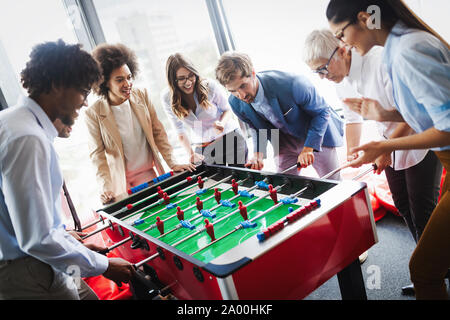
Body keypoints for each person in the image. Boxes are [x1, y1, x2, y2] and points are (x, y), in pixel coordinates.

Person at [326, 0, 450, 300]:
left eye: (341, 34)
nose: (344, 44)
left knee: (422, 269)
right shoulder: (398, 47)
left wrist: (384, 145)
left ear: (364, 19)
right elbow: (426, 113)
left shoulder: (408, 50)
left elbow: (446, 127)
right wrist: (384, 115)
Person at [0, 40, 135, 300]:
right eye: (83, 91)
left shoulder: (12, 122)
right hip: (30, 270)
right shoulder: (27, 138)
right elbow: (36, 239)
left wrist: (67, 239)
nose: (85, 102)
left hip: (38, 262)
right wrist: (105, 266)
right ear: (57, 86)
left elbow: (19, 215)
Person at [303, 29, 442, 279]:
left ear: (341, 50)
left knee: (423, 210)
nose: (322, 77)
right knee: (403, 205)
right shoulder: (341, 81)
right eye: (317, 73)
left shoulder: (378, 62)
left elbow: (410, 113)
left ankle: (431, 270)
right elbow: (352, 117)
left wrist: (386, 148)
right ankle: (429, 268)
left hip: (420, 139)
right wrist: (352, 153)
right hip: (388, 142)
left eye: (323, 69)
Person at [85, 44, 195, 204]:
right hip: (122, 183)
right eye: (119, 79)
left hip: (149, 174)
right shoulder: (93, 113)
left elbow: (159, 133)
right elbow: (97, 157)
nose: (127, 83)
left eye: (129, 77)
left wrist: (173, 162)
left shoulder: (142, 95)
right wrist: (105, 188)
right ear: (105, 82)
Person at [215, 51, 344, 179]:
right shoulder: (235, 103)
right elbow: (257, 127)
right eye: (233, 91)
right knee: (284, 184)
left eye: (243, 85)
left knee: (333, 182)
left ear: (253, 73)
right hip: (283, 143)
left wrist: (308, 148)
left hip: (315, 135)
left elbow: (322, 112)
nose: (241, 95)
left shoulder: (292, 84)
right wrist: (258, 154)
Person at [161, 53, 248, 167]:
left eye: (191, 76)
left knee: (240, 181)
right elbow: (180, 132)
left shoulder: (209, 86)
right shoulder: (167, 98)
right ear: (173, 80)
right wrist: (191, 154)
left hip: (231, 138)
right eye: (182, 78)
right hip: (203, 147)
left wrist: (221, 123)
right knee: (216, 182)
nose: (188, 82)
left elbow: (227, 110)